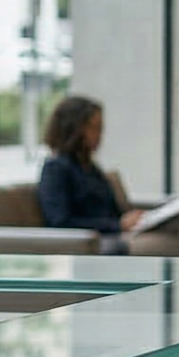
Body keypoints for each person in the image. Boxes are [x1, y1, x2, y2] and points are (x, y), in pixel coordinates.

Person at [36, 95, 148, 253]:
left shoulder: (91, 168)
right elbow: (60, 221)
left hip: (111, 234)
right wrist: (117, 225)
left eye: (100, 128)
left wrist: (132, 219)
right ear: (73, 129)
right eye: (93, 128)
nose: (99, 135)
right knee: (118, 248)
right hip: (87, 240)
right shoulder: (56, 168)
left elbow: (113, 211)